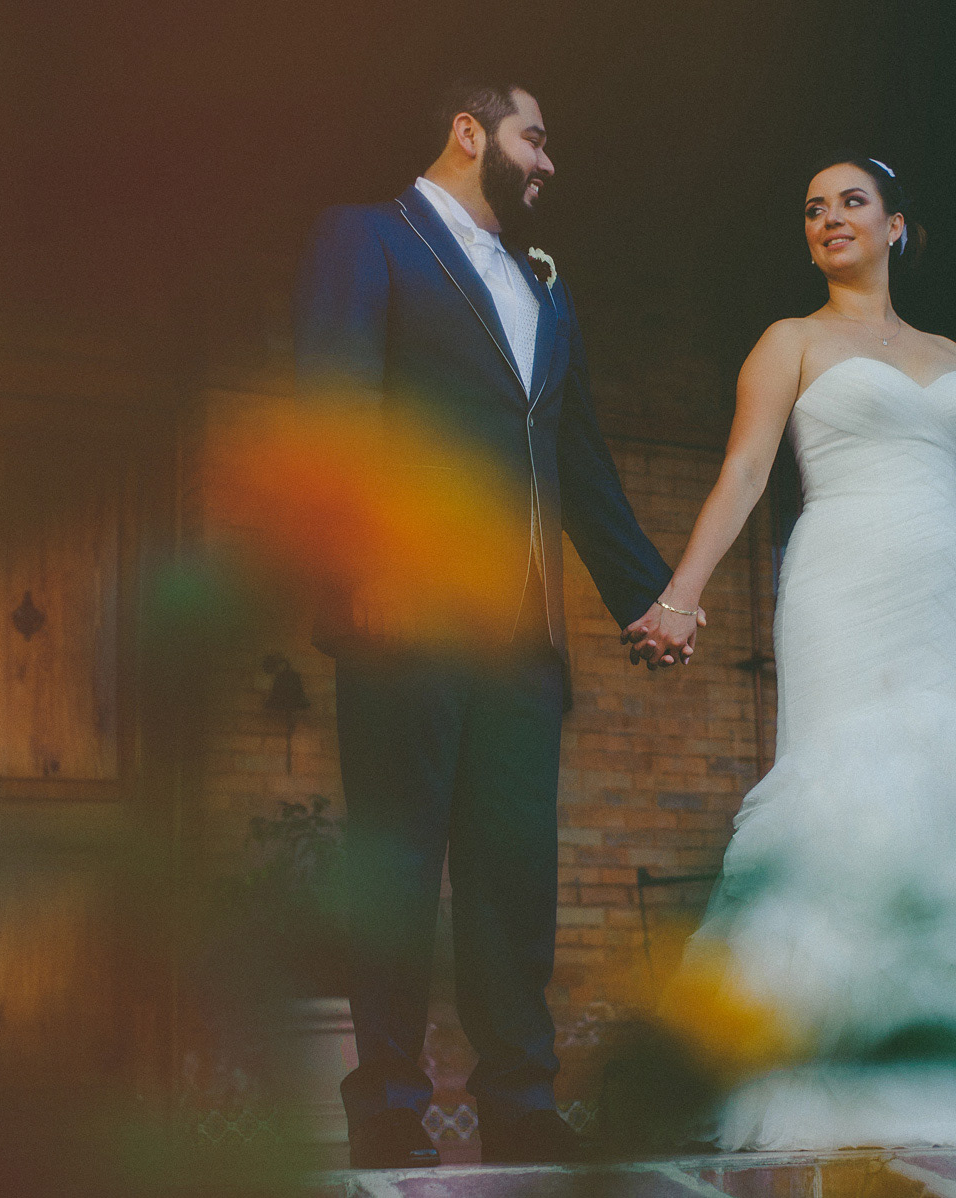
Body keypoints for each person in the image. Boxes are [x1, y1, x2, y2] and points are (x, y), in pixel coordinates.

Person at [627, 155, 956, 1149]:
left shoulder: (953, 351)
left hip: (942, 599)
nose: (829, 218)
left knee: (946, 795)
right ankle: (824, 1079)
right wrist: (681, 593)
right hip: (841, 585)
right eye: (812, 209)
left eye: (851, 202)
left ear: (896, 228)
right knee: (845, 799)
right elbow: (745, 471)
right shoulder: (788, 341)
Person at [294, 78, 700, 1170]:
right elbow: (329, 409)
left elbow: (582, 462)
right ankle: (387, 1105)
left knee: (514, 875)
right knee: (396, 866)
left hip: (521, 646)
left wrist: (652, 599)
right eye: (536, 138)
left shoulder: (545, 290)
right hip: (401, 614)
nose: (548, 163)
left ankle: (519, 1102)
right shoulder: (366, 242)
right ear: (470, 133)